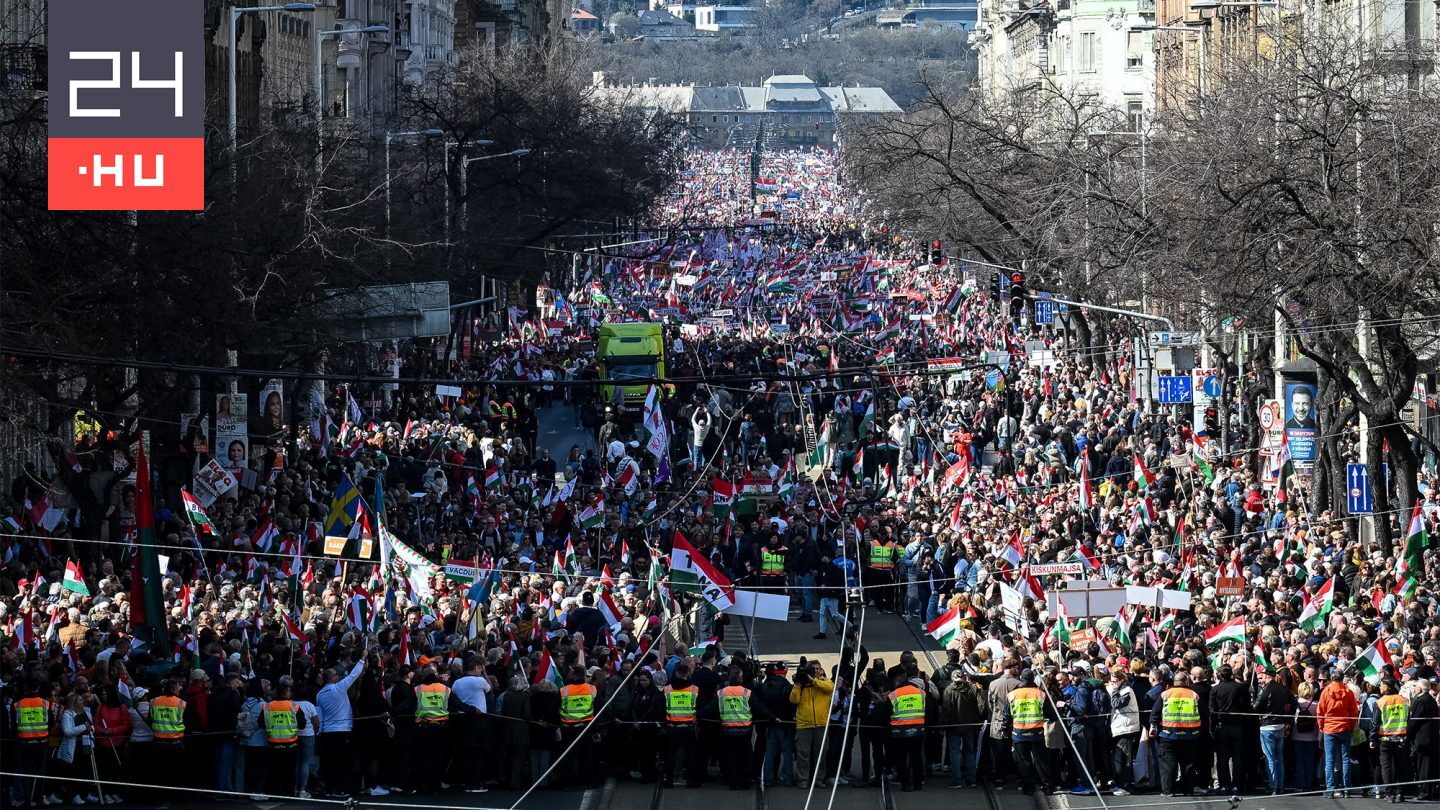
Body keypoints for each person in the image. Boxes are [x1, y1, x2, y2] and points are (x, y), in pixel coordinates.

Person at [1151, 670, 1201, 796]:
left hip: (1168, 734)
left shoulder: (1166, 694)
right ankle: (1188, 790)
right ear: (1186, 682)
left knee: (1168, 764)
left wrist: (1153, 726)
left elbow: (1155, 713)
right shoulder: (1193, 695)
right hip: (1190, 735)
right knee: (1188, 764)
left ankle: (1168, 791)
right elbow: (1204, 713)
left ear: (1174, 682)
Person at [1006, 668, 1054, 794]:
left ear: (1021, 678)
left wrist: (1005, 729)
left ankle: (1028, 788)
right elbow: (1050, 713)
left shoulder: (1012, 695)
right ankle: (1047, 787)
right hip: (1037, 733)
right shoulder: (1040, 694)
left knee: (1024, 762)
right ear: (1033, 679)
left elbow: (1007, 715)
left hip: (1019, 734)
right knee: (1041, 761)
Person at [1252, 664, 1296, 795]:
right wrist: (1287, 720)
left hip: (1267, 727)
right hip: (1280, 726)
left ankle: (1274, 786)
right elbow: (1294, 702)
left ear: (1266, 675)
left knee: (1270, 757)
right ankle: (1279, 785)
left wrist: (1251, 696)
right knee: (1279, 757)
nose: (1261, 679)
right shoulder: (1282, 688)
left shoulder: (1265, 690)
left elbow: (1255, 708)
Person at [790, 658, 834, 788]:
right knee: (803, 755)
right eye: (813, 669)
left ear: (821, 670)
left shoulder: (825, 682)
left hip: (821, 724)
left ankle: (818, 779)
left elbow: (830, 688)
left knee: (821, 754)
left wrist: (813, 681)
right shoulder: (802, 684)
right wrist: (798, 684)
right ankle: (803, 780)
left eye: (818, 669)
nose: (816, 671)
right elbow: (794, 700)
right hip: (804, 725)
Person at [1318, 666, 1359, 797]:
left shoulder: (1326, 691)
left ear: (1331, 678)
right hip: (1344, 728)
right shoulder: (1349, 692)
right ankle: (1347, 788)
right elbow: (1354, 713)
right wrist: (1351, 727)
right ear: (1342, 679)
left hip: (1329, 729)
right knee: (1345, 759)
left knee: (1329, 760)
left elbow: (1320, 711)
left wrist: (1321, 726)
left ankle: (1330, 788)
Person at [940, 669, 985, 789]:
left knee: (955, 753)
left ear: (952, 678)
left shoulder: (948, 690)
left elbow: (946, 710)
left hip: (954, 727)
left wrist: (944, 725)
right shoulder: (972, 688)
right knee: (970, 752)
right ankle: (971, 780)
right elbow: (981, 705)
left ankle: (956, 780)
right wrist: (978, 719)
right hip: (970, 726)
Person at [12, 681, 53, 808]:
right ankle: (38, 800)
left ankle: (28, 800)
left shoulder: (18, 704)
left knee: (27, 773)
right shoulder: (45, 703)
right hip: (42, 743)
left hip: (25, 743)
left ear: (26, 687)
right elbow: (51, 722)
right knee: (40, 772)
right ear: (38, 687)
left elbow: (14, 725)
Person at [1208, 664, 1247, 795]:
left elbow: (1212, 711)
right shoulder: (1239, 688)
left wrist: (1212, 728)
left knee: (1221, 758)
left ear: (1219, 675)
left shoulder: (1215, 689)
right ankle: (1235, 785)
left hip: (1222, 726)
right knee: (1236, 757)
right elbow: (1245, 706)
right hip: (1237, 726)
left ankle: (1223, 785)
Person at [558, 666, 600, 787]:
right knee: (587, 754)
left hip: (568, 727)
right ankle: (588, 780)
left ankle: (566, 782)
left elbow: (555, 706)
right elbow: (599, 707)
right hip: (586, 727)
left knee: (567, 755)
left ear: (574, 676)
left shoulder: (564, 690)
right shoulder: (592, 689)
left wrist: (544, 719)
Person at [663, 663, 701, 788]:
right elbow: (699, 706)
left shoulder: (667, 689)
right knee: (690, 754)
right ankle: (691, 781)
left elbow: (660, 706)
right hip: (689, 726)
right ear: (688, 673)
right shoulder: (694, 690)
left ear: (676, 673)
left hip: (672, 726)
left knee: (671, 754)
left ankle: (669, 780)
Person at [413, 668, 451, 793]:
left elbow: (409, 704)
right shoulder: (445, 689)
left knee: (422, 757)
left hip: (423, 728)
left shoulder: (418, 689)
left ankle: (421, 784)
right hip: (440, 727)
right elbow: (456, 703)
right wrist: (472, 709)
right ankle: (436, 785)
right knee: (438, 758)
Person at [887, 672, 927, 791]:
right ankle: (918, 784)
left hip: (899, 732)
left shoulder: (893, 695)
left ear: (897, 683)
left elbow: (885, 713)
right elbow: (929, 710)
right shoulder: (921, 693)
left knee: (901, 759)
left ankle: (905, 784)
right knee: (916, 757)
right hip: (917, 730)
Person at [263, 681, 303, 797]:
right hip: (290, 745)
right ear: (286, 693)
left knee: (274, 770)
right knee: (289, 771)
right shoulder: (294, 707)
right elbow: (302, 724)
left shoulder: (267, 706)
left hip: (273, 744)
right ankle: (288, 793)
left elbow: (261, 723)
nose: (290, 693)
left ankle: (274, 793)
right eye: (289, 691)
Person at [1374, 679, 1409, 803]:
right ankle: (1400, 794)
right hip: (1401, 738)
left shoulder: (1380, 702)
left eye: (1381, 685)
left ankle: (1390, 794)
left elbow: (1375, 722)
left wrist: (1372, 738)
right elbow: (1408, 718)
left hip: (1385, 739)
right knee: (1401, 766)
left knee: (1386, 767)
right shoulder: (1403, 700)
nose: (1380, 687)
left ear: (1387, 687)